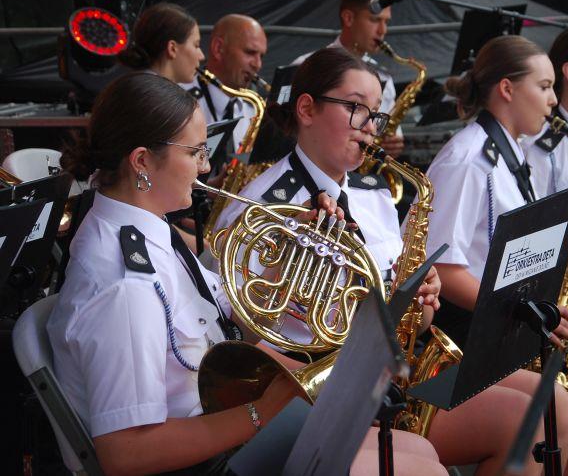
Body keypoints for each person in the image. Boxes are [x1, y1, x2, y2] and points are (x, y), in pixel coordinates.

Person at [49, 72, 446, 476]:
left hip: (223, 417)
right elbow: (125, 453)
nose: (206, 167)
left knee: (419, 449)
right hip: (205, 461)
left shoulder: (148, 228)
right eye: (195, 152)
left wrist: (286, 259)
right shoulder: (125, 282)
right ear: (142, 161)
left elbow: (228, 324)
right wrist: (263, 412)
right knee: (422, 469)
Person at [217, 47, 566, 475]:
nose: (370, 127)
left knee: (547, 407)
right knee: (499, 433)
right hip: (313, 395)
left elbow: (413, 321)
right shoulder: (260, 209)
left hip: (391, 377)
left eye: (376, 115)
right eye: (355, 109)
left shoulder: (374, 195)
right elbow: (237, 335)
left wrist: (423, 297)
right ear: (306, 109)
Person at [423, 34, 568, 474]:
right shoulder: (467, 160)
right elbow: (442, 269)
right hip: (476, 335)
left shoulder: (513, 152)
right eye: (544, 87)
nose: (553, 100)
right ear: (507, 89)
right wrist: (521, 307)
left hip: (519, 320)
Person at [292, 0, 404, 158]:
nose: (383, 30)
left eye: (386, 22)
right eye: (375, 20)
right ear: (348, 18)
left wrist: (392, 142)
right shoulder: (304, 66)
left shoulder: (384, 77)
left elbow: (388, 133)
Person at [182, 14, 268, 152]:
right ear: (218, 48)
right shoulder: (180, 100)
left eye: (261, 56)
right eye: (250, 52)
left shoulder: (253, 109)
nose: (258, 64)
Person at [118, 2, 204, 84]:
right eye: (196, 45)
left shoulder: (137, 86)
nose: (202, 56)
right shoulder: (152, 91)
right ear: (172, 48)